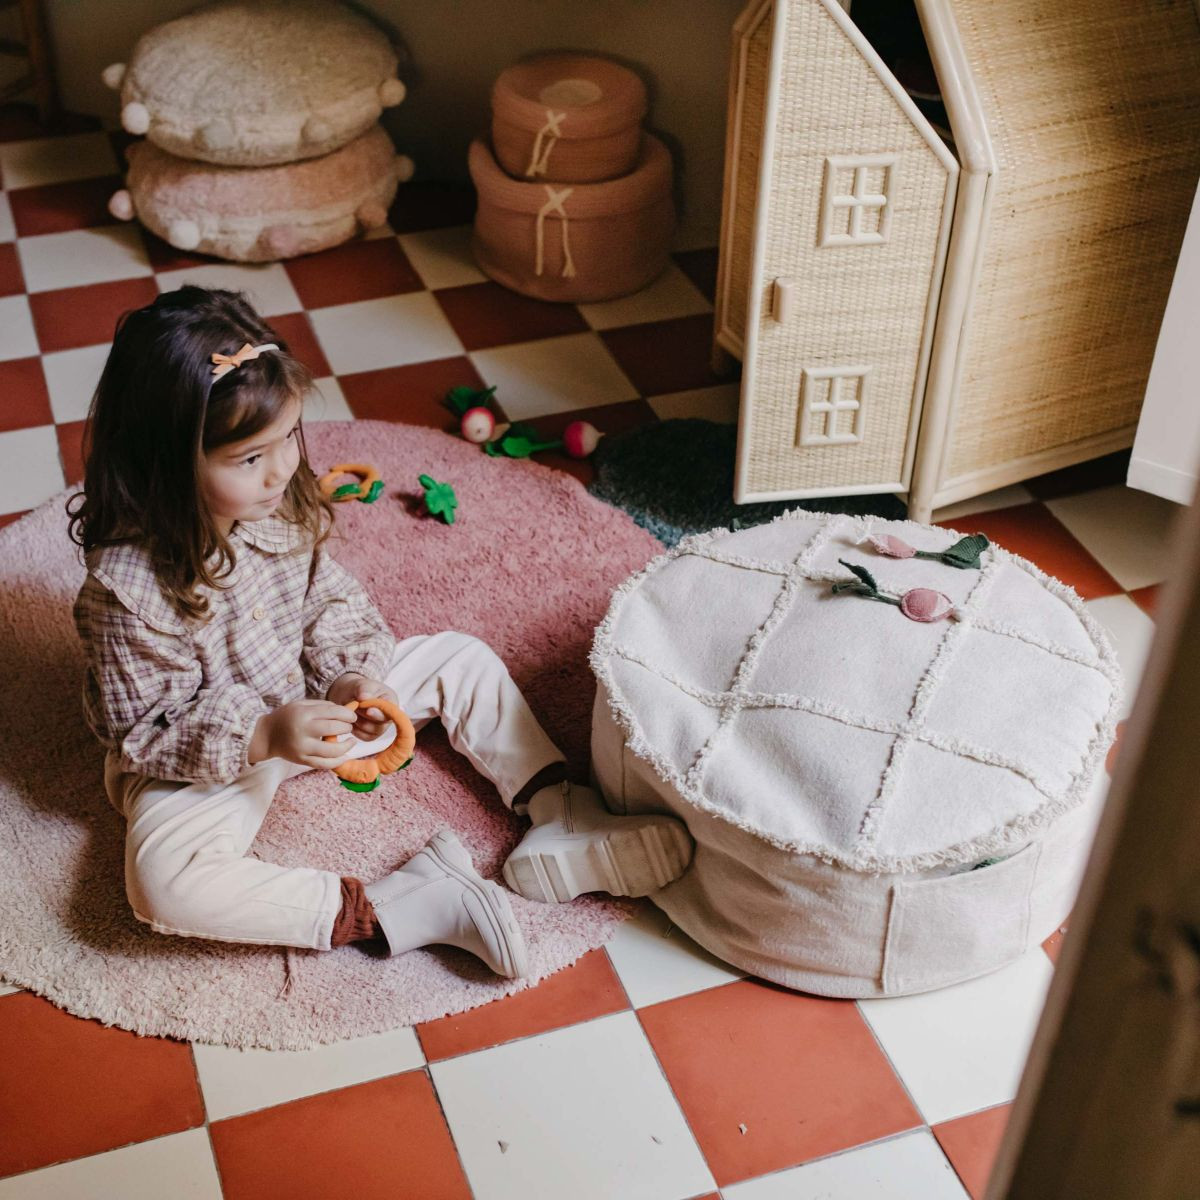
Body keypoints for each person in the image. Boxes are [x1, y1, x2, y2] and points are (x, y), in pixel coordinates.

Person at [68, 286, 692, 978]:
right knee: (163, 883)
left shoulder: (277, 501)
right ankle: (403, 902)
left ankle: (559, 811)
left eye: (288, 438)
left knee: (460, 658)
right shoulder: (124, 592)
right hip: (214, 758)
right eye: (249, 459)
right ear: (166, 464)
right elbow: (145, 727)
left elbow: (329, 601)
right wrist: (262, 735)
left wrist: (352, 677)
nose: (280, 470)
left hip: (316, 703)